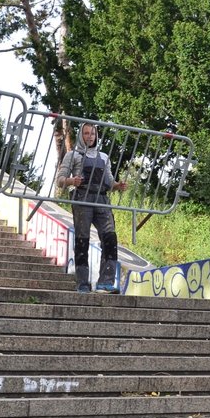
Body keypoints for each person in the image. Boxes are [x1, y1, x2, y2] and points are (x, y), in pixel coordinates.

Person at [56, 123, 127, 293]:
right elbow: (60, 180)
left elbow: (109, 183)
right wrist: (71, 181)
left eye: (92, 133)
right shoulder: (73, 155)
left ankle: (106, 282)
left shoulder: (104, 157)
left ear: (96, 136)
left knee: (110, 238)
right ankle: (82, 282)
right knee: (82, 240)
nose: (90, 136)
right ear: (81, 135)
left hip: (102, 200)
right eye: (86, 133)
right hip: (82, 199)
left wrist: (118, 185)